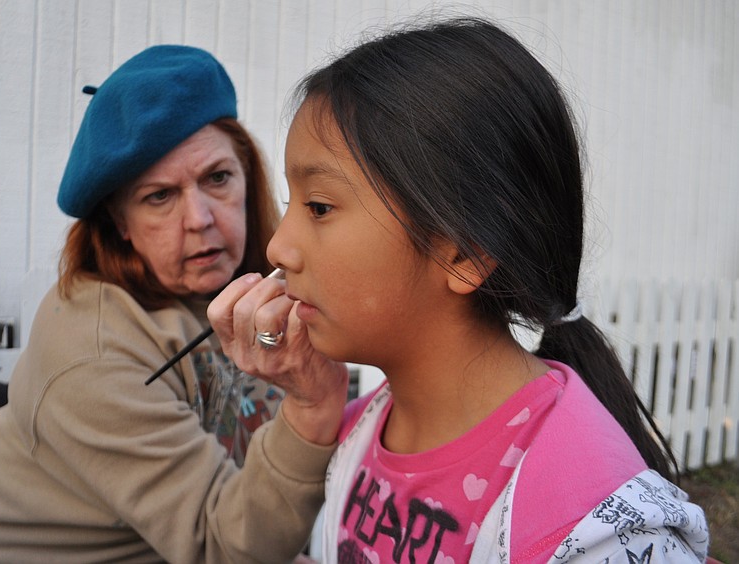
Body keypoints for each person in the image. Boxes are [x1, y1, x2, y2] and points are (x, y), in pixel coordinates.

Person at [207, 18, 710, 563]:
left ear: (465, 253)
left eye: (320, 207)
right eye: (291, 205)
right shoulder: (354, 434)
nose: (279, 248)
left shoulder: (596, 531)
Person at [0, 45, 348, 563]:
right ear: (120, 222)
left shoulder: (257, 290)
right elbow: (220, 547)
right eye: (159, 196)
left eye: (217, 177)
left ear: (247, 177)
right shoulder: (96, 352)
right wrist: (313, 404)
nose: (199, 219)